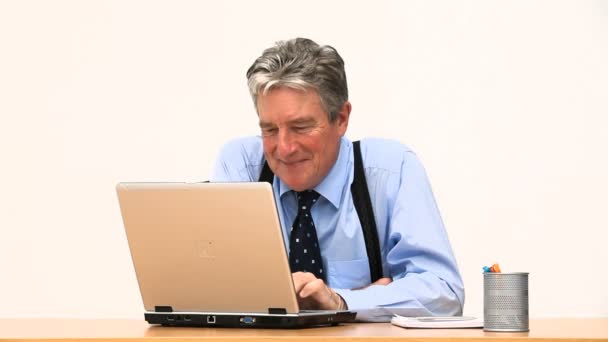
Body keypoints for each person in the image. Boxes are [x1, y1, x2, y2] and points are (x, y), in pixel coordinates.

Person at [210, 38, 464, 322]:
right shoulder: (242, 166)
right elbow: (220, 288)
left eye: (301, 127)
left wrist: (342, 301)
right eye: (269, 129)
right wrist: (371, 299)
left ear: (341, 118)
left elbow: (443, 293)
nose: (284, 147)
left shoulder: (390, 169)